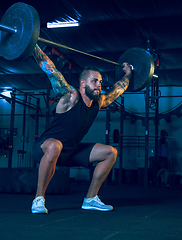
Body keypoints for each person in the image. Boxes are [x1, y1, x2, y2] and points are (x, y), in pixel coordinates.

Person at [31, 44, 132, 214]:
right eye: (94, 81)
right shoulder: (71, 97)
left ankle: (91, 199)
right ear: (83, 83)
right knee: (55, 145)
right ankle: (38, 199)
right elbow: (51, 70)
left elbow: (118, 89)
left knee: (110, 152)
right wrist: (32, 46)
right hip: (44, 148)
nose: (98, 85)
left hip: (70, 151)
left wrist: (129, 74)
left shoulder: (98, 102)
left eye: (100, 81)